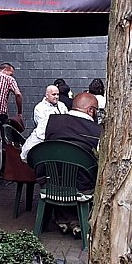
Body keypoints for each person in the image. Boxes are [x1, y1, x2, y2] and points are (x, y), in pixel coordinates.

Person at [42, 92, 103, 237]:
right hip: (82, 186)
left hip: (51, 183)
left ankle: (66, 220)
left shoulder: (50, 121)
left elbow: (25, 154)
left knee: (61, 175)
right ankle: (78, 222)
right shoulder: (98, 132)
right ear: (90, 110)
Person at [22, 84, 68, 159]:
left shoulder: (62, 105)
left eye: (57, 94)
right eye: (53, 94)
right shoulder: (39, 108)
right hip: (42, 140)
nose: (56, 97)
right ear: (47, 95)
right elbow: (43, 128)